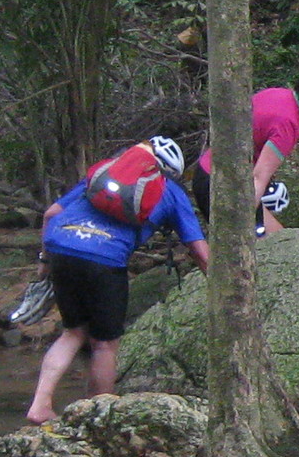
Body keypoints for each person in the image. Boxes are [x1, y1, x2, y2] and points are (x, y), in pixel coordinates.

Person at [24, 143, 212, 422]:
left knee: (73, 332)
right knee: (104, 345)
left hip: (62, 248)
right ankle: (99, 416)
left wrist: (44, 261)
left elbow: (51, 213)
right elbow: (198, 250)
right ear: (172, 171)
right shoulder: (170, 190)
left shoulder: (105, 172)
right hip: (105, 260)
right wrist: (223, 288)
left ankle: (40, 404)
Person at [201, 66, 299, 235]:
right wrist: (242, 228)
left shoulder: (278, 94)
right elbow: (258, 177)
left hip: (212, 171)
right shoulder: (288, 123)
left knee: (282, 239)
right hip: (221, 184)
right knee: (266, 250)